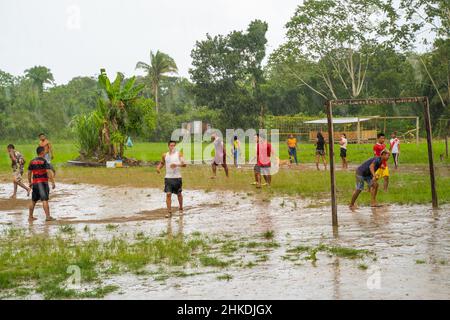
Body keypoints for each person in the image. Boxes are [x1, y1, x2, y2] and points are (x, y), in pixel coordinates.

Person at [156, 140, 186, 218]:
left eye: (174, 145)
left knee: (179, 194)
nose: (172, 147)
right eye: (171, 145)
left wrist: (176, 164)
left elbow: (184, 164)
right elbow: (162, 162)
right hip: (168, 178)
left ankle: (181, 209)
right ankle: (169, 212)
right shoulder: (164, 155)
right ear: (168, 146)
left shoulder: (179, 154)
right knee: (168, 194)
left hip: (177, 177)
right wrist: (158, 168)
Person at [28, 146, 56, 222]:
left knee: (33, 200)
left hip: (35, 183)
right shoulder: (44, 161)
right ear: (42, 152)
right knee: (45, 199)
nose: (45, 152)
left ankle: (30, 217)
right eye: (44, 151)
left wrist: (30, 182)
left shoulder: (32, 161)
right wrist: (53, 182)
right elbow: (48, 172)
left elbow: (29, 173)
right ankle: (48, 217)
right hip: (42, 183)